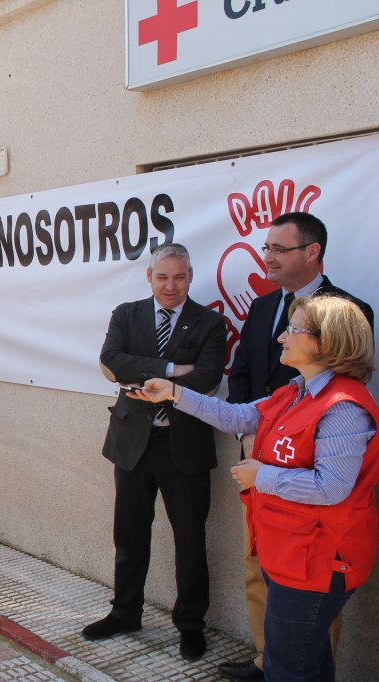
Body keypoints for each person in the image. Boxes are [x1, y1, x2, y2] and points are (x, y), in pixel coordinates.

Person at [130, 295, 378, 681]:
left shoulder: (342, 407)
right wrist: (174, 393)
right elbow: (239, 416)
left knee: (289, 668)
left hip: (317, 561)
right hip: (292, 553)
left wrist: (260, 476)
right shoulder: (295, 391)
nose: (282, 337)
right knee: (304, 663)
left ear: (325, 341)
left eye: (294, 330)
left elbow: (332, 487)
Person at [221, 212, 374, 681]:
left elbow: (332, 479)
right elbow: (243, 374)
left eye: (279, 249)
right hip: (260, 462)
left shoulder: (346, 311)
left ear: (312, 252)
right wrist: (250, 430)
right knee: (259, 567)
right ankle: (268, 660)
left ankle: (293, 663)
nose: (267, 257)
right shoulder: (263, 307)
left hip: (306, 495)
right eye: (265, 248)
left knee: (305, 612)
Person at [83, 243, 227, 661]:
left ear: (191, 276)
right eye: (162, 277)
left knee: (190, 540)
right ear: (149, 277)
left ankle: (190, 626)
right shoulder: (126, 314)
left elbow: (208, 379)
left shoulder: (210, 322)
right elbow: (111, 360)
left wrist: (146, 368)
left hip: (184, 447)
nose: (171, 285)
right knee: (129, 534)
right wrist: (170, 370)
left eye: (179, 277)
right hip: (133, 445)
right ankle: (125, 612)